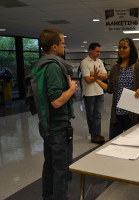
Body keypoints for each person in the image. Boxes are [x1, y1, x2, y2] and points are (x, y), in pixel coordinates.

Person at [37, 28, 78, 200]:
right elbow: (56, 101)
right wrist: (72, 89)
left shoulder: (41, 64)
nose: (64, 45)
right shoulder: (53, 66)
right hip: (58, 129)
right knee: (61, 171)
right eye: (62, 43)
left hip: (48, 126)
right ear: (54, 47)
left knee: (50, 167)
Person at [93, 38, 139, 140]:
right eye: (119, 48)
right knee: (113, 143)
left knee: (132, 144)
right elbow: (110, 89)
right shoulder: (115, 68)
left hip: (132, 114)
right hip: (117, 115)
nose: (121, 50)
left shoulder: (138, 67)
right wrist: (97, 80)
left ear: (131, 49)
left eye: (124, 47)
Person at [80, 43, 108, 143]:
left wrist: (95, 75)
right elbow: (87, 79)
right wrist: (95, 76)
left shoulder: (100, 61)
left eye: (99, 51)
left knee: (98, 115)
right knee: (91, 115)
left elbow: (105, 76)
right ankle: (94, 134)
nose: (99, 53)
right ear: (91, 51)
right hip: (89, 94)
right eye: (97, 51)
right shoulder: (84, 62)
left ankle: (96, 134)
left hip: (99, 92)